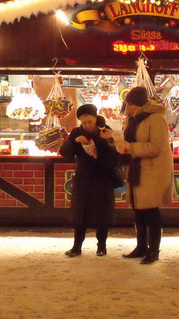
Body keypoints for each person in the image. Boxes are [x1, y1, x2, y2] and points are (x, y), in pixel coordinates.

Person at [102, 86, 174, 264]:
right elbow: (128, 143)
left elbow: (157, 146)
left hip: (152, 170)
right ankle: (141, 246)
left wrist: (130, 148)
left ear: (139, 104)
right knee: (138, 210)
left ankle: (153, 250)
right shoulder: (134, 119)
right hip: (137, 169)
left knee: (151, 210)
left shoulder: (156, 119)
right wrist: (115, 140)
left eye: (130, 105)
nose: (127, 108)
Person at [58, 104, 118, 257]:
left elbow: (115, 155)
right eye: (84, 123)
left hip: (103, 176)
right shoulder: (77, 132)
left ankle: (102, 246)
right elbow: (65, 153)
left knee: (102, 214)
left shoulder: (105, 130)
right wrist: (74, 142)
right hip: (83, 177)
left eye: (90, 121)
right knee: (80, 213)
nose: (87, 125)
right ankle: (77, 246)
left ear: (96, 118)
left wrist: (100, 143)